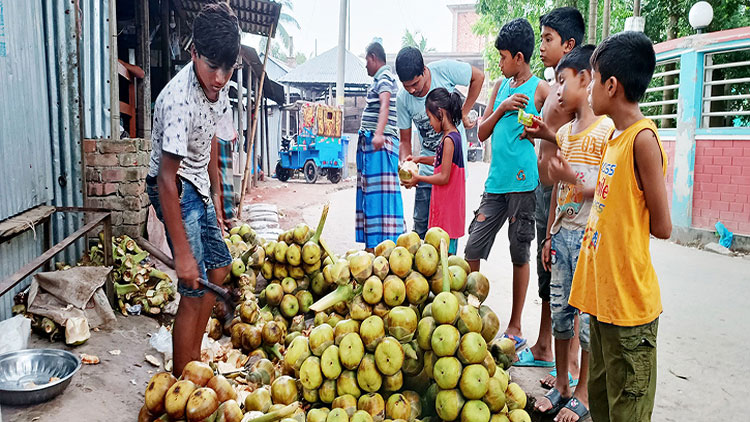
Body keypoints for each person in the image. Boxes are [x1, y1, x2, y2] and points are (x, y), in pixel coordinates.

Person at [570, 31, 671, 422]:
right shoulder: (615, 137)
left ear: (611, 86)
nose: (590, 87)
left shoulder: (642, 139)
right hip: (604, 305)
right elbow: (615, 196)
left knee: (626, 411)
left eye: (593, 78)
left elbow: (662, 226)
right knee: (603, 405)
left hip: (630, 311)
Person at [145, 3, 240, 376]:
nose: (219, 77)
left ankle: (193, 358)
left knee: (219, 269)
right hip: (174, 187)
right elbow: (166, 180)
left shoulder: (222, 88)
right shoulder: (177, 101)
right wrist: (181, 254)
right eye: (211, 65)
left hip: (199, 184)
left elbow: (214, 139)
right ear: (193, 53)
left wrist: (219, 199)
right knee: (194, 285)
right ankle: (183, 381)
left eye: (227, 68)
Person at [528, 45, 613, 422]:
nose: (558, 90)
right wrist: (548, 236)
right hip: (561, 237)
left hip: (590, 239)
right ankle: (561, 384)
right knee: (561, 313)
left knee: (588, 323)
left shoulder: (606, 131)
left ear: (586, 78)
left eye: (563, 81)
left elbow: (602, 187)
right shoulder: (564, 132)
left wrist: (568, 177)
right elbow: (555, 191)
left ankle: (583, 391)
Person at [465, 18, 550, 350]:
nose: (499, 63)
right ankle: (468, 312)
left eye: (502, 57)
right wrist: (500, 108)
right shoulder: (500, 87)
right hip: (495, 183)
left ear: (519, 56)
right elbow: (482, 132)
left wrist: (539, 129)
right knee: (473, 246)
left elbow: (555, 124)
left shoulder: (540, 88)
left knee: (519, 253)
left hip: (524, 184)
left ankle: (515, 325)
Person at [517, 6, 586, 383]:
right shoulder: (559, 86)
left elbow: (573, 143)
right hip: (548, 189)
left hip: (563, 194)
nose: (541, 45)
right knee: (552, 277)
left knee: (567, 284)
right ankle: (546, 347)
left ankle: (570, 364)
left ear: (569, 44)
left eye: (548, 39)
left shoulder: (572, 91)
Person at [395, 47, 484, 239]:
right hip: (428, 172)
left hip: (450, 175)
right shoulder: (403, 99)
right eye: (406, 85)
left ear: (424, 71)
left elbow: (478, 77)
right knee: (420, 233)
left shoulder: (444, 70)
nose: (411, 90)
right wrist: (407, 166)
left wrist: (463, 112)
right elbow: (404, 140)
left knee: (446, 232)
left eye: (415, 83)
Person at [401, 88, 466, 254]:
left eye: (430, 118)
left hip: (448, 212)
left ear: (440, 113)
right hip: (444, 208)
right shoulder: (449, 136)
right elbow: (440, 161)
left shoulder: (450, 139)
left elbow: (444, 177)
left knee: (447, 259)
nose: (429, 123)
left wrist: (418, 178)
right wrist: (419, 159)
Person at [356, 42, 405, 251]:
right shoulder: (381, 78)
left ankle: (383, 247)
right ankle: (374, 246)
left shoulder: (384, 77)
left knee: (381, 200)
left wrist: (377, 134)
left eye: (366, 60)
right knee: (373, 198)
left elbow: (385, 104)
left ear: (374, 57)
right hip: (374, 148)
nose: (365, 66)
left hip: (380, 147)